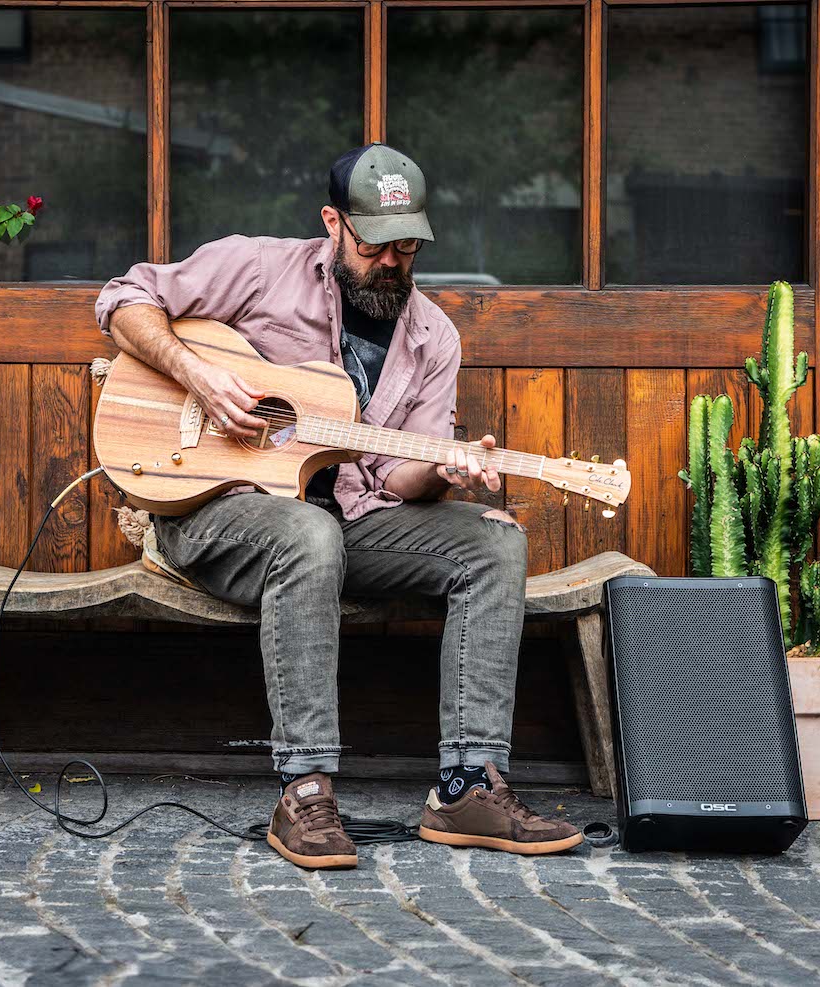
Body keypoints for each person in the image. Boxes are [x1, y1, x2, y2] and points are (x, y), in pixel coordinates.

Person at [94, 143, 581, 869]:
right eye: (377, 244)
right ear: (334, 223)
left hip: (351, 523)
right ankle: (305, 787)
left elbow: (399, 479)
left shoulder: (431, 336)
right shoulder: (258, 267)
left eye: (408, 246)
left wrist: (446, 469)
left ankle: (466, 784)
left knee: (493, 543)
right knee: (307, 534)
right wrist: (197, 376)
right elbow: (122, 299)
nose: (393, 261)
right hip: (211, 510)